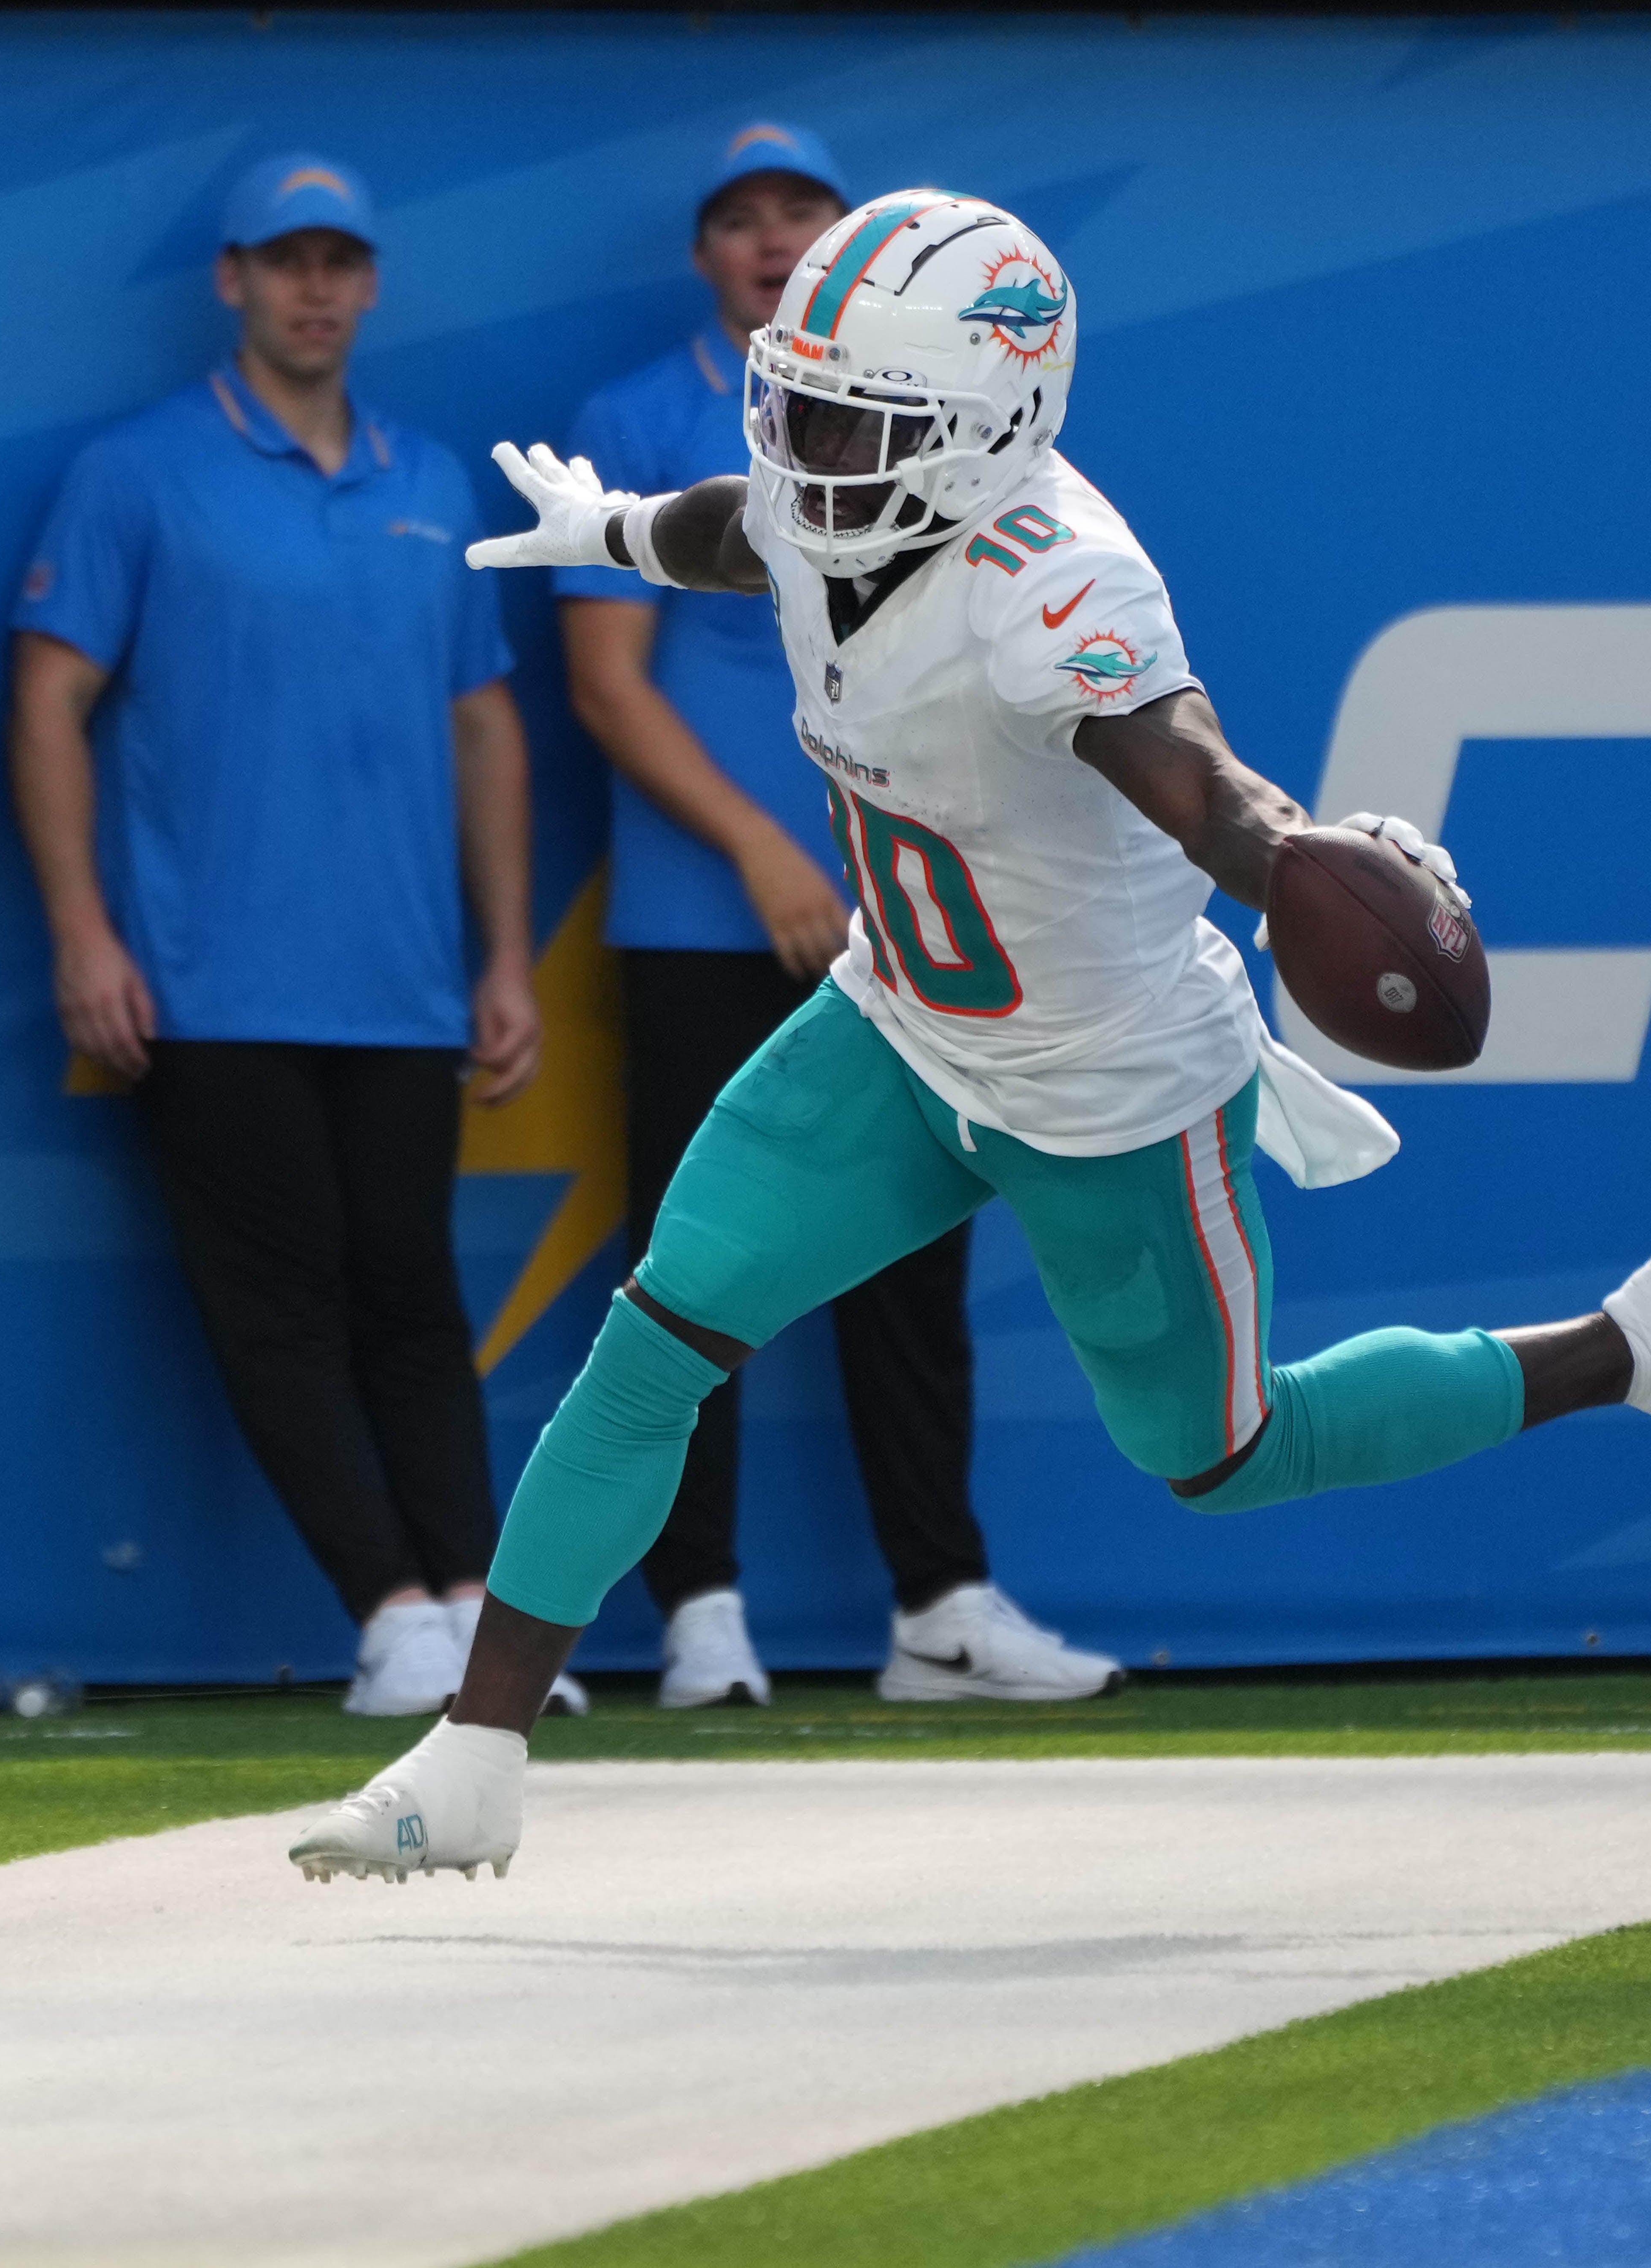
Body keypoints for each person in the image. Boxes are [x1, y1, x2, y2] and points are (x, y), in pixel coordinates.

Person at [288, 190, 1651, 1884]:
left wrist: (1311, 860)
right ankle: (476, 1752)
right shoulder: (832, 493)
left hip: (1110, 1086)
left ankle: (1624, 1344)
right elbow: (756, 525)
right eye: (797, 402)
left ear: (990, 433)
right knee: (657, 1336)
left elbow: (1200, 782)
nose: (813, 449)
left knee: (1224, 1455)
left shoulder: (1057, 581)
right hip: (899, 1027)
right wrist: (624, 532)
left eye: (859, 421)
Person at [9, 153, 581, 1718]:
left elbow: (485, 726)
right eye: (284, 261)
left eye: (340, 261)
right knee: (280, 1307)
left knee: (409, 1295)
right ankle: (388, 1613)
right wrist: (82, 934)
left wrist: (506, 955)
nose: (314, 288)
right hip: (206, 983)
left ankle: (478, 1617)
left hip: (402, 986)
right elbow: (48, 702)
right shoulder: (137, 473)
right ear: (232, 283)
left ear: (370, 283)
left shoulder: (431, 481)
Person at [558, 122, 1117, 1708]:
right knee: (694, 1267)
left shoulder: (942, 412)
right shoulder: (634, 418)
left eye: (797, 214)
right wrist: (757, 851)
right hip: (692, 918)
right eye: (735, 219)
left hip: (897, 925)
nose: (764, 239)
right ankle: (699, 1613)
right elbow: (608, 688)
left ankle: (939, 1605)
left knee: (909, 1266)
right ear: (703, 254)